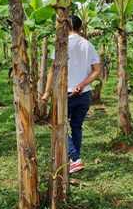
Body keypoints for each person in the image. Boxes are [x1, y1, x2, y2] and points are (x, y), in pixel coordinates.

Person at [42, 15, 101, 174]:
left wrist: (47, 92)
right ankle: (74, 160)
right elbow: (97, 70)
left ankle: (74, 158)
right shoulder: (88, 45)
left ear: (65, 27)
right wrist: (82, 85)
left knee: (59, 126)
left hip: (65, 94)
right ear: (81, 28)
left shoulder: (61, 44)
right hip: (84, 94)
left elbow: (53, 69)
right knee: (76, 127)